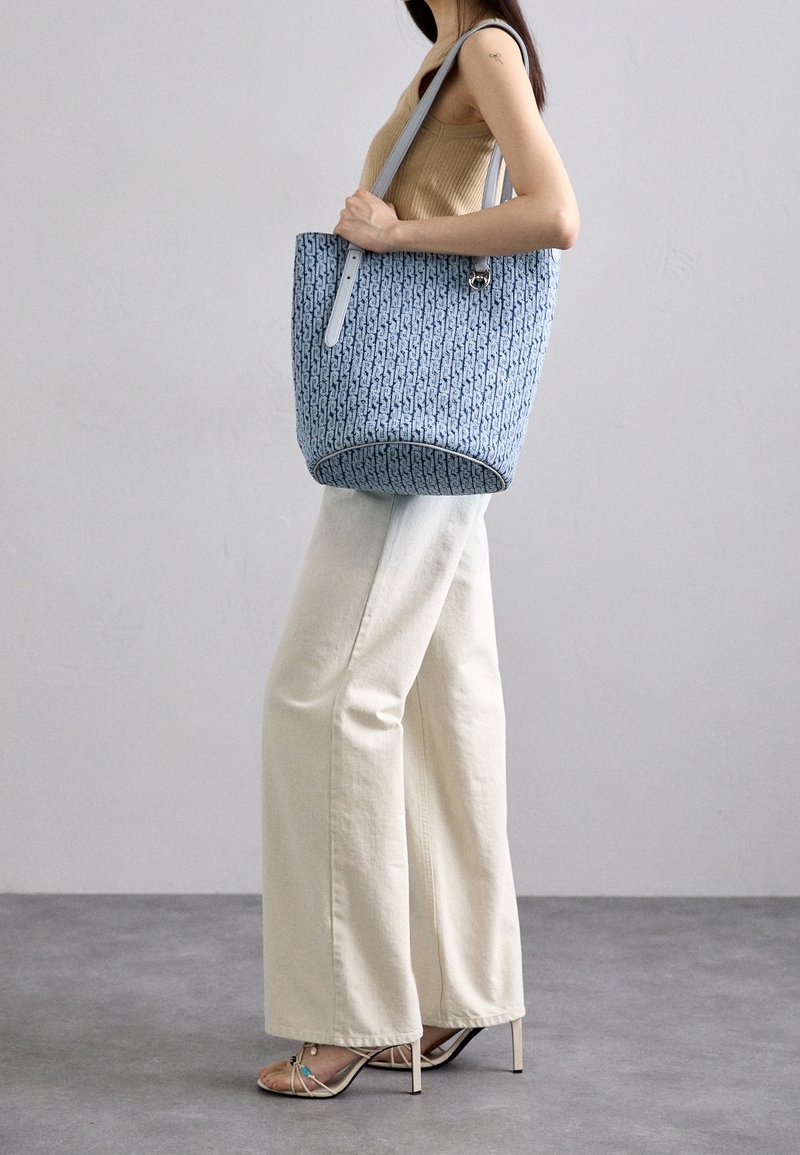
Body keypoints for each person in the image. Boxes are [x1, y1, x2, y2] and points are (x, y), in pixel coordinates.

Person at [257, 0, 579, 1099]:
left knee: (322, 699)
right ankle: (460, 992)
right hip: (434, 421)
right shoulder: (448, 51)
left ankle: (348, 1017)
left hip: (414, 423)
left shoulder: (481, 47)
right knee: (449, 707)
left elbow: (554, 212)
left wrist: (393, 238)